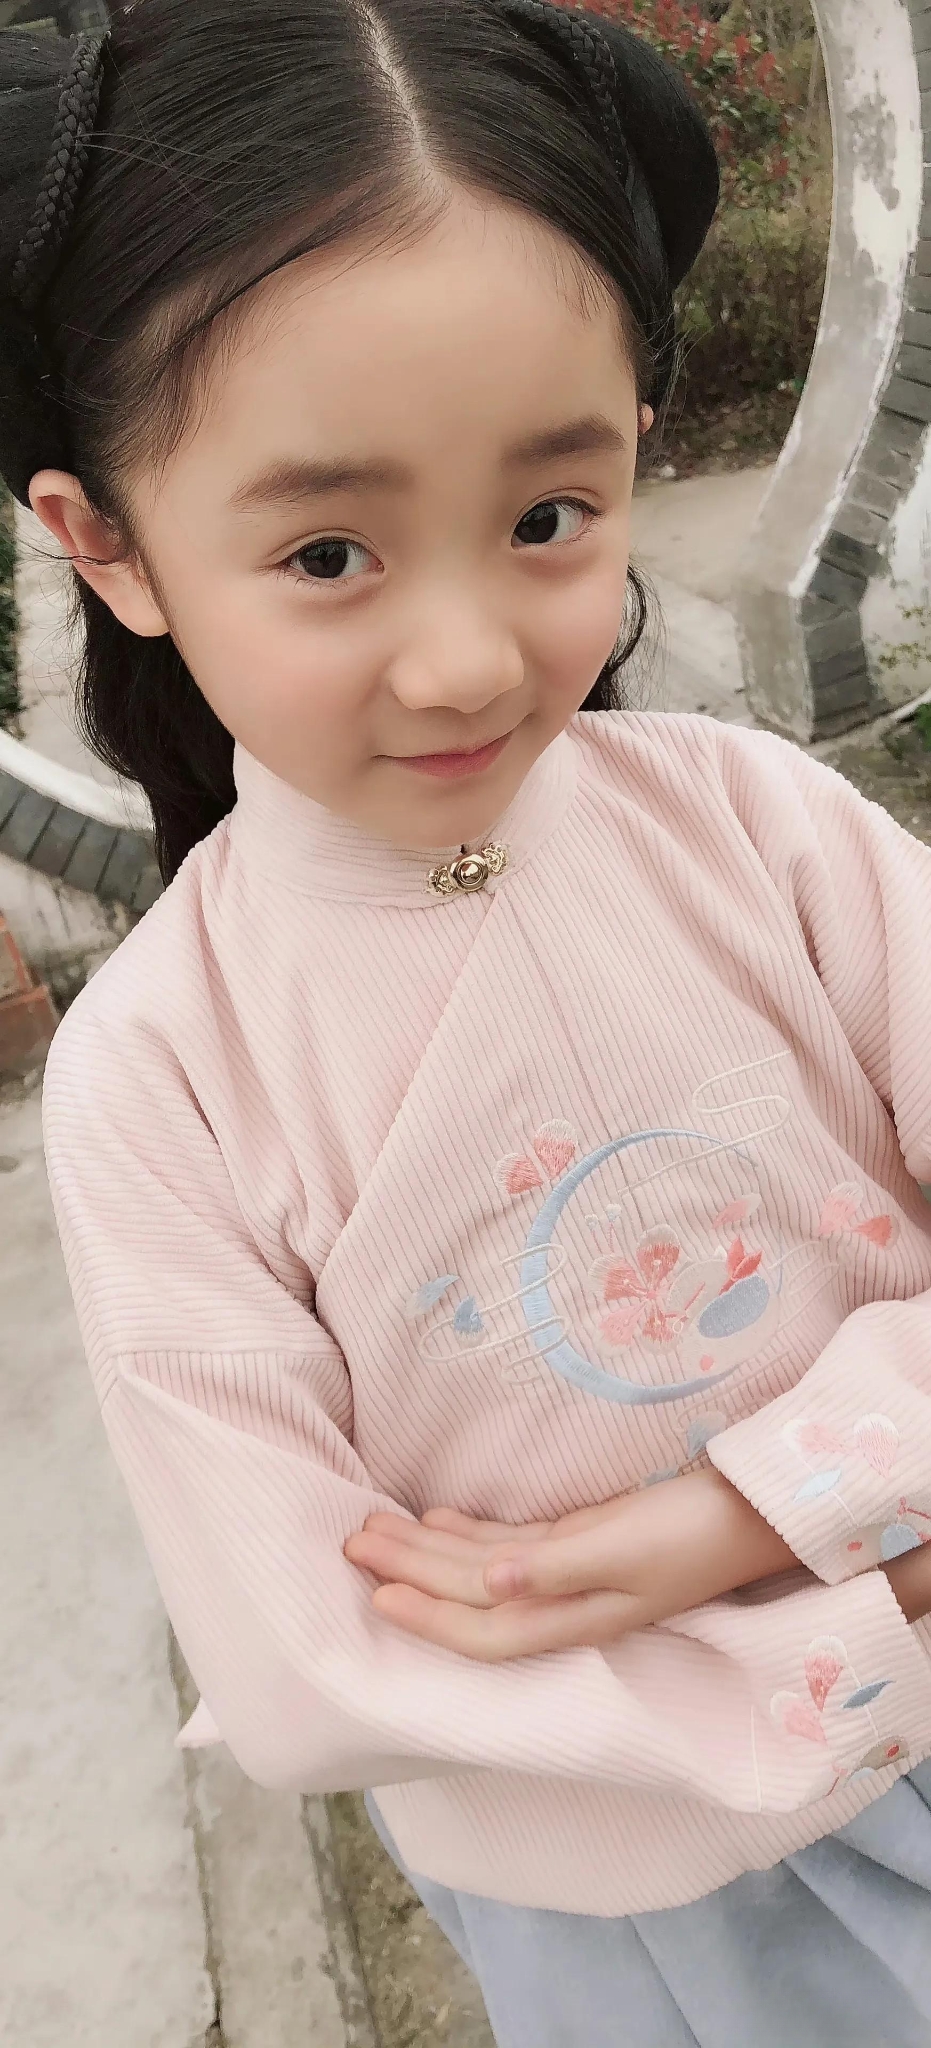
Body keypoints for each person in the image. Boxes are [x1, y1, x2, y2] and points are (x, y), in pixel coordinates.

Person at [2, 3, 930, 2040]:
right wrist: (867, 1618)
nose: (464, 662)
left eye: (548, 517)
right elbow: (310, 1663)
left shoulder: (765, 829)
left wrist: (743, 1518)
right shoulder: (161, 1079)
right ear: (107, 543)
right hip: (634, 1897)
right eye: (328, 551)